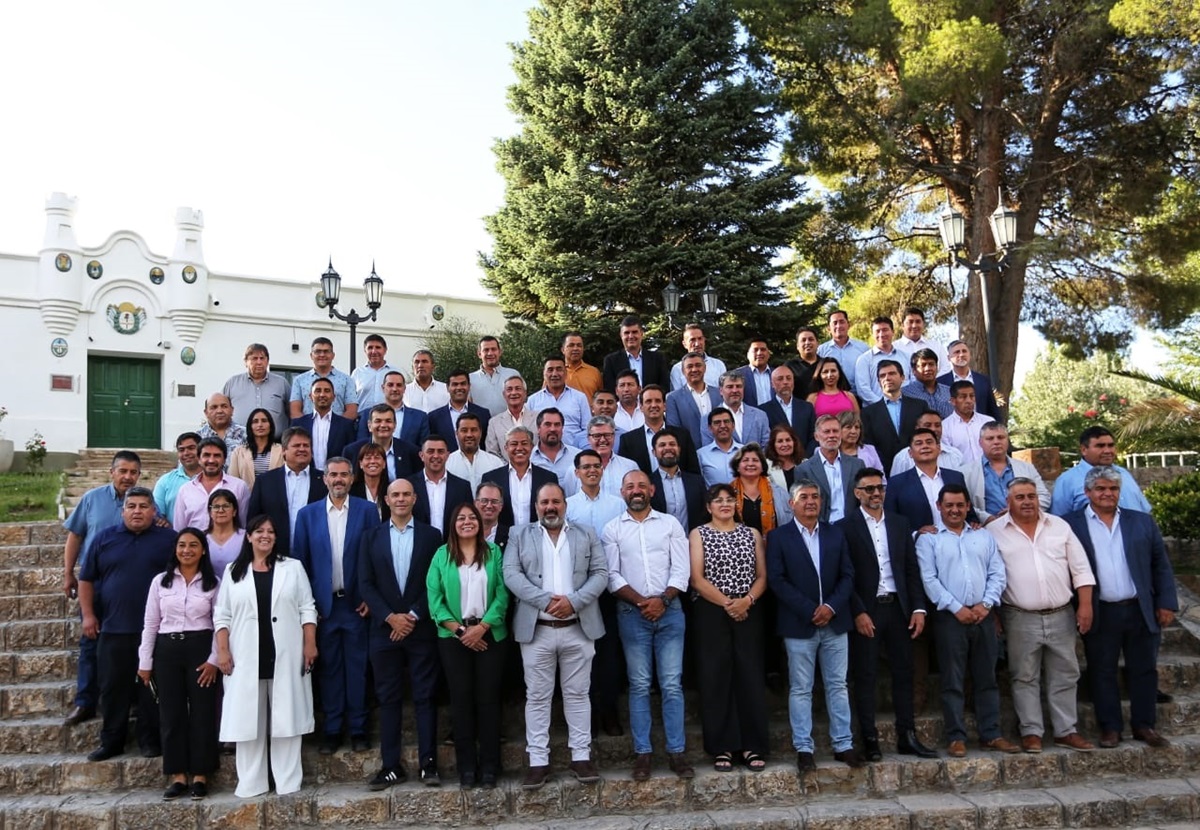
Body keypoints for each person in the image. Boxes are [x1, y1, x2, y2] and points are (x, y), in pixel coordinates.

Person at [1063, 467, 1179, 749]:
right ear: (1087, 492)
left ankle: (1144, 725)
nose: (1107, 494)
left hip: (1140, 608)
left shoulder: (1141, 522)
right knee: (1102, 671)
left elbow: (1160, 565)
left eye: (1113, 489)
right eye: (1101, 489)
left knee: (1144, 669)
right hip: (1100, 609)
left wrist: (1166, 602)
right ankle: (1110, 728)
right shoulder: (1070, 524)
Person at [503, 482, 608, 789]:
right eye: (544, 502)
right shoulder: (519, 534)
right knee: (536, 697)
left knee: (578, 695)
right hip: (537, 630)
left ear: (565, 504)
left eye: (556, 502)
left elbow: (600, 573)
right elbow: (511, 574)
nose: (550, 507)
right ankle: (538, 761)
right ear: (536, 506)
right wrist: (546, 601)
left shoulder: (586, 533)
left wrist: (573, 602)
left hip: (578, 627)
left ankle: (581, 756)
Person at [988, 478, 1097, 753]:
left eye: (1031, 496)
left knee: (1066, 673)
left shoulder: (1059, 526)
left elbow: (1081, 569)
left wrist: (1085, 605)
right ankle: (1032, 732)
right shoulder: (993, 532)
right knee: (1024, 676)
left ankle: (1065, 730)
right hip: (1019, 616)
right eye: (1020, 497)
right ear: (1008, 502)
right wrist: (994, 614)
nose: (1027, 501)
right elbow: (987, 575)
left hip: (1061, 613)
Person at [214, 514, 318, 797]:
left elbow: (307, 608)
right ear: (248, 536)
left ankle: (287, 781)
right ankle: (251, 782)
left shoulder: (292, 568)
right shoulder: (234, 570)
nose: (265, 536)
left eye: (271, 532)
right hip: (245, 655)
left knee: (286, 719)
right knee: (249, 722)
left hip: (284, 651)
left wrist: (310, 643)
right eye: (259, 531)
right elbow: (222, 615)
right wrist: (222, 650)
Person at [837, 468, 936, 760]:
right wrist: (857, 611)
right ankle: (869, 738)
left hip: (898, 608)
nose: (876, 493)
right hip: (867, 610)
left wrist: (918, 607)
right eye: (869, 489)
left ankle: (907, 735)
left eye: (879, 488)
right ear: (857, 494)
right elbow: (846, 574)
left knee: (904, 673)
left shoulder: (899, 523)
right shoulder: (845, 527)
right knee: (865, 675)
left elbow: (910, 569)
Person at [601, 470, 694, 781]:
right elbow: (612, 577)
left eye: (641, 485)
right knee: (639, 685)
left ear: (652, 490)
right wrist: (644, 602)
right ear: (622, 492)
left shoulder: (670, 524)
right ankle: (643, 753)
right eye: (630, 486)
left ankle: (676, 752)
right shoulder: (612, 529)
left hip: (670, 612)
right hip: (632, 614)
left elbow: (682, 570)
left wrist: (662, 601)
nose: (636, 490)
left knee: (671, 684)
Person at [916, 484, 1020, 757]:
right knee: (952, 679)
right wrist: (956, 607)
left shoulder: (983, 537)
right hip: (950, 618)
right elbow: (929, 579)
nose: (954, 510)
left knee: (987, 677)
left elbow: (997, 572)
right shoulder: (929, 540)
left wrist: (986, 605)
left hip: (983, 616)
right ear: (939, 507)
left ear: (967, 507)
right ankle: (956, 736)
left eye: (960, 505)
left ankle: (991, 733)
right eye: (949, 505)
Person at [766, 480, 862, 771]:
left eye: (815, 497)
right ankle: (804, 748)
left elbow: (848, 574)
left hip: (835, 622)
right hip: (799, 624)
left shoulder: (835, 533)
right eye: (804, 497)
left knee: (838, 686)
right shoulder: (779, 537)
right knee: (801, 689)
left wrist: (830, 607)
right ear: (790, 503)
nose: (811, 501)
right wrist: (810, 610)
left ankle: (843, 744)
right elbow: (777, 580)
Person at [358, 478, 445, 789]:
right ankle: (391, 766)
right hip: (384, 632)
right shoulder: (371, 537)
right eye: (395, 494)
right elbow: (365, 583)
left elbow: (436, 582)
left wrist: (411, 615)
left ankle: (428, 764)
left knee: (425, 697)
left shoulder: (432, 536)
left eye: (406, 494)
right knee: (389, 698)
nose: (401, 499)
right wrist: (390, 617)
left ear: (415, 498)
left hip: (420, 629)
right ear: (386, 498)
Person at [79, 486, 174, 761]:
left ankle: (150, 741)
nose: (137, 511)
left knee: (151, 691)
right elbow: (86, 579)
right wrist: (88, 615)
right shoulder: (103, 539)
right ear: (123, 511)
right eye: (132, 506)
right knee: (112, 689)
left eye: (144, 506)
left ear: (153, 511)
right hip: (112, 628)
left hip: (156, 631)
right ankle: (112, 741)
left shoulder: (169, 540)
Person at [293, 457, 380, 755]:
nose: (339, 479)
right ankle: (332, 729)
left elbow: (376, 557)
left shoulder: (368, 512)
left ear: (352, 478)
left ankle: (357, 728)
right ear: (324, 479)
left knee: (357, 669)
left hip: (357, 605)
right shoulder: (307, 515)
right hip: (323, 607)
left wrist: (371, 597)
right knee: (329, 668)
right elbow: (300, 564)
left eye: (344, 474)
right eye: (333, 474)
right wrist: (307, 606)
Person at [426, 502, 510, 788]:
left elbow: (503, 594)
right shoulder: (441, 556)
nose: (466, 522)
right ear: (453, 524)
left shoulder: (495, 553)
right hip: (453, 638)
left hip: (490, 636)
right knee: (460, 702)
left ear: (479, 522)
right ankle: (466, 769)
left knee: (488, 701)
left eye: (471, 517)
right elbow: (434, 600)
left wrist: (482, 627)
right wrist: (463, 631)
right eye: (460, 518)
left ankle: (489, 766)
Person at [689, 483, 769, 772]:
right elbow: (696, 579)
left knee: (749, 676)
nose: (724, 504)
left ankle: (752, 744)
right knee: (716, 677)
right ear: (708, 507)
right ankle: (722, 745)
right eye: (717, 500)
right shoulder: (698, 534)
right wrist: (728, 603)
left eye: (729, 499)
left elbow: (762, 576)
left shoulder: (752, 534)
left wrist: (745, 601)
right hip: (712, 612)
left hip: (748, 611)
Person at [137, 528, 221, 800]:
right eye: (182, 545)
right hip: (167, 649)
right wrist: (145, 661)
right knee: (171, 713)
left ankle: (200, 774)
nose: (187, 550)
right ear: (175, 549)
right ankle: (177, 775)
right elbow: (150, 624)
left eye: (193, 545)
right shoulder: (159, 582)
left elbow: (221, 623)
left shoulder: (213, 582)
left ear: (203, 550)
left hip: (200, 649)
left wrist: (213, 660)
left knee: (203, 712)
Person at [62, 450, 143, 726]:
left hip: (128, 586)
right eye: (123, 471)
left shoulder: (143, 502)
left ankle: (132, 699)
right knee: (90, 641)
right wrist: (67, 573)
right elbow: (75, 536)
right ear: (112, 472)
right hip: (94, 583)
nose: (128, 477)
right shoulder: (91, 499)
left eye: (133, 472)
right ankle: (85, 701)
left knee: (132, 643)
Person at [245, 428, 327, 556]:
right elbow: (254, 519)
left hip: (315, 554)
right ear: (284, 451)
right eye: (296, 445)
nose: (302, 449)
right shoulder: (265, 481)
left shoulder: (324, 481)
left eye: (306, 445)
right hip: (275, 555)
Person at [885, 429, 979, 532]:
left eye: (929, 442)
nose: (925, 446)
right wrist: (916, 533)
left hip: (956, 539)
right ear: (910, 453)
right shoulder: (897, 483)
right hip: (918, 543)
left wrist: (974, 523)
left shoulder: (955, 477)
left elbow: (969, 512)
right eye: (918, 443)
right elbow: (891, 520)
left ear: (938, 448)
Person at [1050, 426, 1153, 516]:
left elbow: (1144, 511)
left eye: (1111, 445)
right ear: (1083, 450)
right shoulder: (1067, 480)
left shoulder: (1123, 474)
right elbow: (1059, 521)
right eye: (1100, 446)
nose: (1107, 451)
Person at [481, 426, 560, 527]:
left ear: (531, 447)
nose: (519, 448)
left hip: (538, 537)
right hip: (503, 539)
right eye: (514, 444)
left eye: (524, 443)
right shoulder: (491, 478)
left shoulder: (548, 478)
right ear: (506, 448)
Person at [618, 384, 700, 475]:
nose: (653, 405)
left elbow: (694, 472)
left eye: (658, 401)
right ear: (641, 407)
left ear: (664, 405)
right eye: (648, 401)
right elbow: (625, 474)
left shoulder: (683, 435)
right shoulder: (628, 440)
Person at [859, 359, 924, 473]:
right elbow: (869, 445)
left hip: (917, 466)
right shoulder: (868, 413)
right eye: (882, 376)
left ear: (902, 378)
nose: (887, 378)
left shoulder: (919, 406)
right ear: (879, 382)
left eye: (892, 373)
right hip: (884, 469)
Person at [796, 416, 864, 524]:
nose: (831, 435)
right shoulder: (804, 469)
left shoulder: (857, 464)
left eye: (835, 431)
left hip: (852, 526)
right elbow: (803, 505)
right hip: (822, 527)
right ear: (816, 436)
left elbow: (861, 499)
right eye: (827, 432)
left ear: (841, 434)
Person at [174, 439, 250, 531]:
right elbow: (179, 528)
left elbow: (243, 525)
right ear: (199, 459)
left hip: (229, 544)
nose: (211, 460)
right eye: (206, 455)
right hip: (195, 544)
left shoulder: (239, 487)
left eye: (217, 456)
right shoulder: (185, 490)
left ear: (224, 460)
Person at [979, 421, 1051, 518]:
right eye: (990, 438)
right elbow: (966, 504)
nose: (996, 442)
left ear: (1007, 440)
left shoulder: (1027, 468)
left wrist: (1016, 510)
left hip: (1025, 523)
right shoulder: (967, 472)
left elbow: (1044, 497)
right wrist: (985, 518)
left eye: (1001, 437)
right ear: (980, 442)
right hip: (986, 527)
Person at [407, 435, 474, 536]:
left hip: (452, 547)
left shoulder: (462, 487)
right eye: (430, 451)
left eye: (440, 451)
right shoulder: (409, 485)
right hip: (419, 547)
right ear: (421, 455)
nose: (436, 456)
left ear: (447, 456)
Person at [223, 343, 290, 439]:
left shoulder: (281, 383)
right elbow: (222, 409)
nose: (259, 362)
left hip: (275, 445)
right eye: (254, 358)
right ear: (245, 361)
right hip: (239, 443)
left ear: (267, 361)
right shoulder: (232, 383)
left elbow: (291, 412)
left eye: (262, 358)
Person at [344, 404, 423, 482]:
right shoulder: (352, 451)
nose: (383, 425)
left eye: (388, 421)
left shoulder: (411, 452)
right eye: (378, 421)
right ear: (369, 426)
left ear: (395, 425)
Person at [292, 378, 357, 470]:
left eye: (327, 391)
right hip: (306, 476)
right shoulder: (299, 424)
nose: (322, 394)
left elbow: (351, 454)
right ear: (310, 396)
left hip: (335, 478)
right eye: (318, 391)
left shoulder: (346, 425)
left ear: (334, 397)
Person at [650, 431, 707, 533]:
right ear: (654, 452)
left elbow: (705, 514)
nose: (668, 448)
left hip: (693, 543)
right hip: (660, 545)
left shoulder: (696, 482)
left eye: (672, 444)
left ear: (679, 449)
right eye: (662, 445)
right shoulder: (647, 483)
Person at [528, 355, 591, 448]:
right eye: (550, 370)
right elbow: (529, 431)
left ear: (566, 373)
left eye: (559, 369)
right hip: (542, 456)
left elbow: (588, 430)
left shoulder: (579, 398)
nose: (554, 374)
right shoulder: (533, 400)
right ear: (544, 374)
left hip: (574, 454)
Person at [355, 371, 430, 447]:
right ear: (383, 388)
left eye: (399, 385)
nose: (394, 389)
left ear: (404, 388)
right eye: (390, 385)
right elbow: (361, 445)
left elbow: (424, 447)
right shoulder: (366, 415)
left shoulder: (419, 417)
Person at [289, 336, 357, 421]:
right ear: (311, 355)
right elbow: (295, 411)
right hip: (307, 431)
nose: (322, 355)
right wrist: (306, 427)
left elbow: (352, 411)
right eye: (318, 352)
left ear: (333, 355)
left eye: (326, 351)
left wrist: (337, 427)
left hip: (337, 432)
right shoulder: (299, 380)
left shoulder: (347, 380)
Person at [729, 443, 793, 532]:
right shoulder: (727, 493)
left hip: (773, 544)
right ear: (737, 467)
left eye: (755, 460)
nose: (750, 464)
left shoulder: (780, 493)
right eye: (745, 460)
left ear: (762, 467)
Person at [427, 368, 491, 452]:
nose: (459, 387)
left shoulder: (483, 414)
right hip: (447, 463)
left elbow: (486, 444)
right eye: (455, 384)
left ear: (469, 386)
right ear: (447, 387)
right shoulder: (434, 417)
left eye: (463, 384)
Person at [602, 314, 670, 391]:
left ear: (641, 334)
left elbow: (664, 388)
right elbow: (610, 390)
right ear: (621, 335)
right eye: (626, 333)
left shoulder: (657, 359)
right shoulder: (611, 361)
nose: (630, 336)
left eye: (634, 332)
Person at [565, 449, 626, 533]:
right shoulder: (567, 506)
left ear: (602, 470)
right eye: (586, 467)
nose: (592, 470)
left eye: (597, 466)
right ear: (577, 473)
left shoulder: (619, 505)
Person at [938, 340, 1000, 421]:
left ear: (969, 355)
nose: (961, 354)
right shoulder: (940, 382)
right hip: (951, 431)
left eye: (964, 351)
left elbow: (993, 410)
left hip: (981, 429)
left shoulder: (983, 380)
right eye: (957, 352)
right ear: (949, 358)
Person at [854, 317, 910, 405]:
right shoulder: (864, 360)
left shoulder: (906, 357)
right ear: (872, 334)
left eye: (885, 330)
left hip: (905, 407)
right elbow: (863, 389)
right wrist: (884, 405)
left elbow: (912, 383)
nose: (881, 334)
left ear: (893, 332)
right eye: (877, 331)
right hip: (875, 410)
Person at [759, 364, 816, 446]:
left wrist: (806, 457)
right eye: (780, 379)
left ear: (793, 382)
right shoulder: (763, 411)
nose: (785, 382)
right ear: (772, 384)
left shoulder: (807, 407)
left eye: (789, 378)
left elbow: (813, 436)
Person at [446, 412, 506, 490]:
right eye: (464, 430)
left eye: (473, 430)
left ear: (480, 433)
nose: (469, 435)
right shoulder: (447, 463)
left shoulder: (495, 463)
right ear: (456, 433)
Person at [585, 414, 640, 497]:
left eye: (607, 435)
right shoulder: (576, 469)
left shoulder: (630, 466)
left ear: (614, 436)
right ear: (588, 439)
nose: (603, 440)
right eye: (597, 436)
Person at [485, 375, 538, 459]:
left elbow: (544, 449)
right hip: (505, 470)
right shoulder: (494, 422)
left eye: (518, 388)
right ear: (504, 394)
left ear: (525, 393)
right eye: (509, 389)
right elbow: (492, 454)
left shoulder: (538, 418)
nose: (513, 393)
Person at [531, 408, 580, 497]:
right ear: (538, 428)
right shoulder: (529, 459)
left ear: (562, 428)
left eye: (557, 425)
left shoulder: (578, 456)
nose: (553, 429)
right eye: (547, 424)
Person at [228, 408, 283, 488]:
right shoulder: (238, 452)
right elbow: (233, 481)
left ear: (270, 425)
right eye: (255, 421)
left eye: (264, 421)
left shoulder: (281, 450)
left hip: (275, 498)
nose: (260, 425)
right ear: (250, 426)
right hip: (246, 498)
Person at [818, 309, 869, 392]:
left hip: (858, 396)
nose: (838, 326)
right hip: (831, 397)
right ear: (829, 328)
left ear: (848, 325)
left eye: (842, 322)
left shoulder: (863, 348)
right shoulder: (821, 351)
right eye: (835, 323)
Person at [154, 433, 201, 521]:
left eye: (191, 448)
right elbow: (157, 514)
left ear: (201, 450)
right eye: (181, 450)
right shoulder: (165, 481)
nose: (186, 453)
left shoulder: (212, 479)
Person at [716, 371, 770, 448]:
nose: (735, 390)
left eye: (738, 386)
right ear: (721, 391)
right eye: (730, 387)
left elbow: (767, 447)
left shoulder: (760, 415)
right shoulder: (708, 418)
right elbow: (710, 452)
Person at [941, 381, 990, 466]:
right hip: (962, 474)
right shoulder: (945, 427)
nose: (969, 401)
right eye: (963, 397)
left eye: (972, 396)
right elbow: (949, 458)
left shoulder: (988, 422)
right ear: (953, 401)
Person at [469, 335, 521, 416]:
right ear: (479, 354)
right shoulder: (470, 379)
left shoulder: (513, 374)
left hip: (509, 425)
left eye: (493, 349)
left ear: (500, 352)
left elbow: (522, 401)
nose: (490, 353)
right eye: (486, 350)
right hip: (481, 427)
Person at [669, 323, 727, 391]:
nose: (697, 344)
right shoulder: (677, 369)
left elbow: (725, 393)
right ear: (684, 344)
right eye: (692, 340)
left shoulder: (718, 365)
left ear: (704, 340)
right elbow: (678, 398)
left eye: (700, 339)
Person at [351, 334, 401, 412]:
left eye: (378, 347)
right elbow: (351, 399)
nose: (374, 351)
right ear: (365, 350)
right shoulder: (358, 373)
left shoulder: (395, 372)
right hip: (362, 419)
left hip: (388, 418)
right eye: (370, 348)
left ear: (385, 350)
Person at [901, 348, 953, 419]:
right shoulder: (905, 393)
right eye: (923, 365)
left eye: (931, 364)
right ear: (914, 371)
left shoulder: (949, 392)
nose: (928, 368)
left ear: (937, 368)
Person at [697, 408, 742, 488]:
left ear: (733, 425)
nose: (723, 426)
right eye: (717, 423)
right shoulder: (701, 455)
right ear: (710, 428)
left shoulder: (745, 451)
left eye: (726, 421)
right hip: (715, 499)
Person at [205, 488, 245, 576]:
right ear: (210, 512)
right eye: (216, 507)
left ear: (234, 511)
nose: (221, 510)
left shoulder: (246, 537)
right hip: (209, 587)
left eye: (226, 506)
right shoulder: (201, 538)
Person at [894, 307, 948, 373]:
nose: (914, 326)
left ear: (923, 324)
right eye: (910, 322)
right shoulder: (894, 348)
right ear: (902, 325)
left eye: (918, 322)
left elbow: (945, 371)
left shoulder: (936, 347)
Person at [197, 392, 247, 463]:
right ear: (206, 413)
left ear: (232, 410)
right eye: (214, 407)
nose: (219, 411)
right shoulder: (198, 437)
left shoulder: (245, 434)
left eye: (224, 406)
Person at [350, 442, 391, 522]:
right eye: (368, 458)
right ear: (361, 464)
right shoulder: (351, 490)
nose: (372, 461)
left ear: (384, 464)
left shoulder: (391, 489)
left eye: (377, 458)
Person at [734, 338, 776, 408]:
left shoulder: (776, 374)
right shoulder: (737, 375)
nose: (759, 353)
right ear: (748, 355)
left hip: (774, 417)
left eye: (763, 350)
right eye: (755, 350)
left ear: (768, 354)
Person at [561, 331, 603, 401]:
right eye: (571, 345)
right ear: (563, 350)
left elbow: (601, 398)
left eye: (579, 345)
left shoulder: (594, 372)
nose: (575, 348)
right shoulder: (556, 373)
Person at [766, 423, 806, 492]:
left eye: (788, 440)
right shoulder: (766, 466)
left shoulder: (806, 464)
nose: (785, 444)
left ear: (794, 442)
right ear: (773, 445)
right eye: (780, 441)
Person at [784, 326, 821, 397]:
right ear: (797, 346)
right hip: (799, 407)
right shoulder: (789, 366)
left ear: (817, 343)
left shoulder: (826, 364)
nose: (807, 343)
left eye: (811, 339)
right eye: (803, 340)